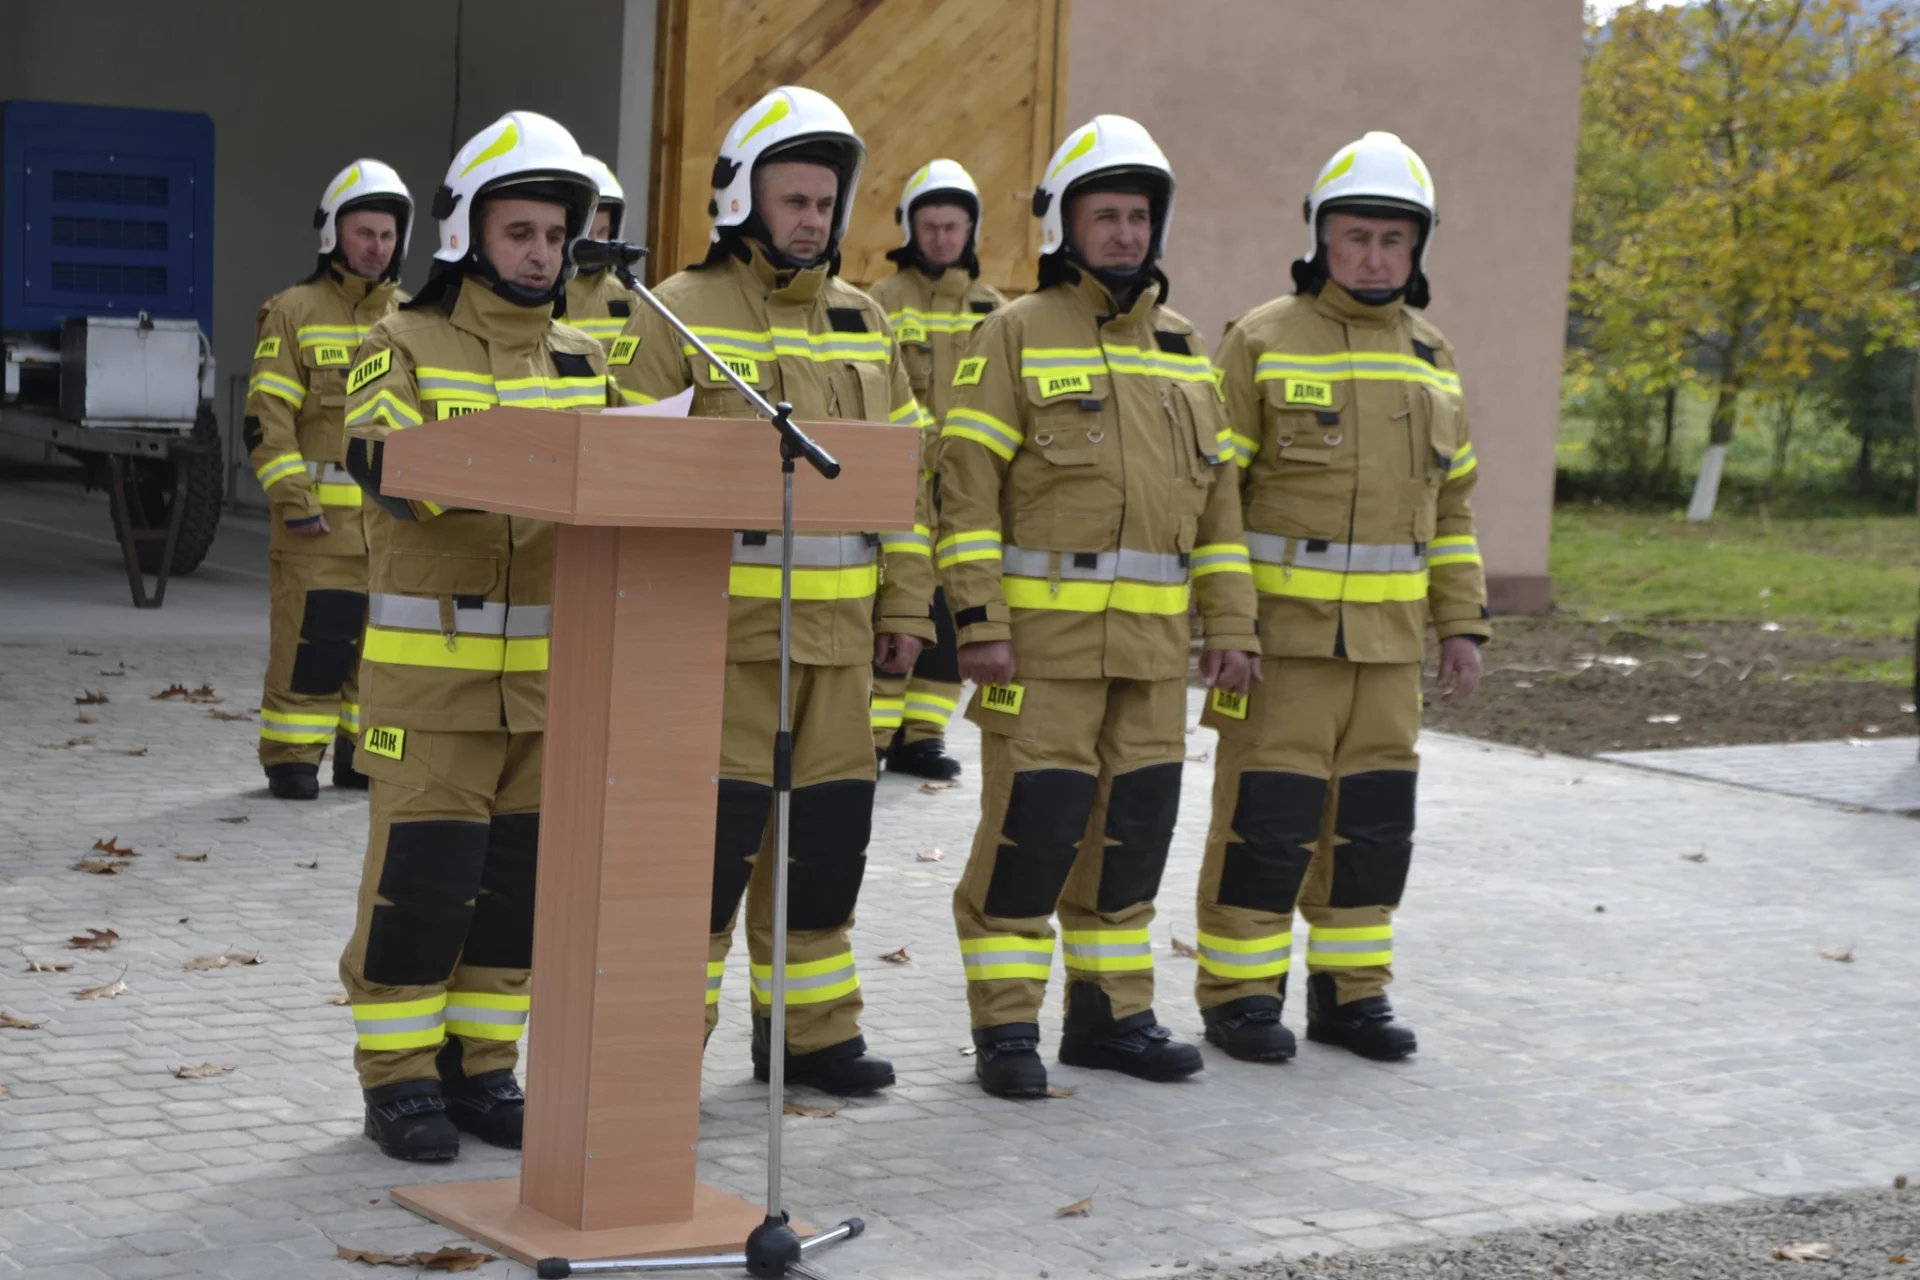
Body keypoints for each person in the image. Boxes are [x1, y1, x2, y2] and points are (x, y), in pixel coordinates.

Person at [611, 86, 935, 1096]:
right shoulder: (675, 309)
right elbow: (629, 477)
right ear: (740, 199)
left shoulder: (867, 320)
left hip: (839, 650)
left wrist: (906, 606)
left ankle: (812, 1035)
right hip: (723, 649)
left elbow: (906, 485)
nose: (810, 219)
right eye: (793, 199)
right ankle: (664, 1048)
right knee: (705, 864)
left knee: (825, 852)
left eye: (824, 203)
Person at [937, 115, 1260, 1098]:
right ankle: (1005, 1026)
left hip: (1154, 656)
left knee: (1133, 833)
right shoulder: (1013, 332)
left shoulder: (1185, 347)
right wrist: (979, 623)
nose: (1124, 233)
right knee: (1032, 832)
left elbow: (1221, 511)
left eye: (1138, 217)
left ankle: (1111, 1016)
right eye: (1105, 215)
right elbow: (964, 489)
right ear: (1064, 226)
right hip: (1041, 654)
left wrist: (1232, 626)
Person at [337, 112, 618, 1160]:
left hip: (549, 688)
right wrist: (543, 463)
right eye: (520, 233)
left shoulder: (586, 358)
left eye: (555, 235)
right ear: (465, 234)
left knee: (513, 892)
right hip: (431, 689)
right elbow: (388, 465)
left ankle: (484, 1070)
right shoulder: (397, 344)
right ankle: (400, 1081)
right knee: (422, 885)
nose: (542, 254)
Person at [1193, 131, 1488, 1065]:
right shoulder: (1260, 340)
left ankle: (1352, 997)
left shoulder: (1433, 357)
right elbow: (1216, 500)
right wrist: (1228, 625)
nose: (1373, 256)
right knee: (1266, 824)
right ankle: (1241, 997)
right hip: (1281, 650)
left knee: (1372, 827)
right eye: (1356, 236)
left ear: (1418, 248)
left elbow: (1453, 511)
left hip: (1389, 653)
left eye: (1393, 240)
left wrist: (1462, 626)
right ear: (1320, 237)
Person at [247, 160, 410, 799]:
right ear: (333, 234)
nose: (376, 247)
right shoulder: (293, 312)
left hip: (389, 530)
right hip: (315, 529)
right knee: (312, 645)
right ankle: (292, 756)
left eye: (387, 235)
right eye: (364, 232)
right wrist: (294, 502)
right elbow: (266, 420)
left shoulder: (412, 318)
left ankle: (358, 755)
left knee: (378, 653)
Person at [865, 159, 1006, 781]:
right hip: (899, 484)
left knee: (951, 612)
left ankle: (922, 736)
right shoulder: (879, 303)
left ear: (971, 229)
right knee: (895, 602)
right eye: (931, 226)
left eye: (953, 226)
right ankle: (872, 734)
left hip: (967, 491)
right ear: (910, 228)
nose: (943, 238)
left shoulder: (997, 311)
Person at [564, 155, 643, 353]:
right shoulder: (543, 294)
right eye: (586, 232)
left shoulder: (627, 298)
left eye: (602, 232)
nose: (594, 242)